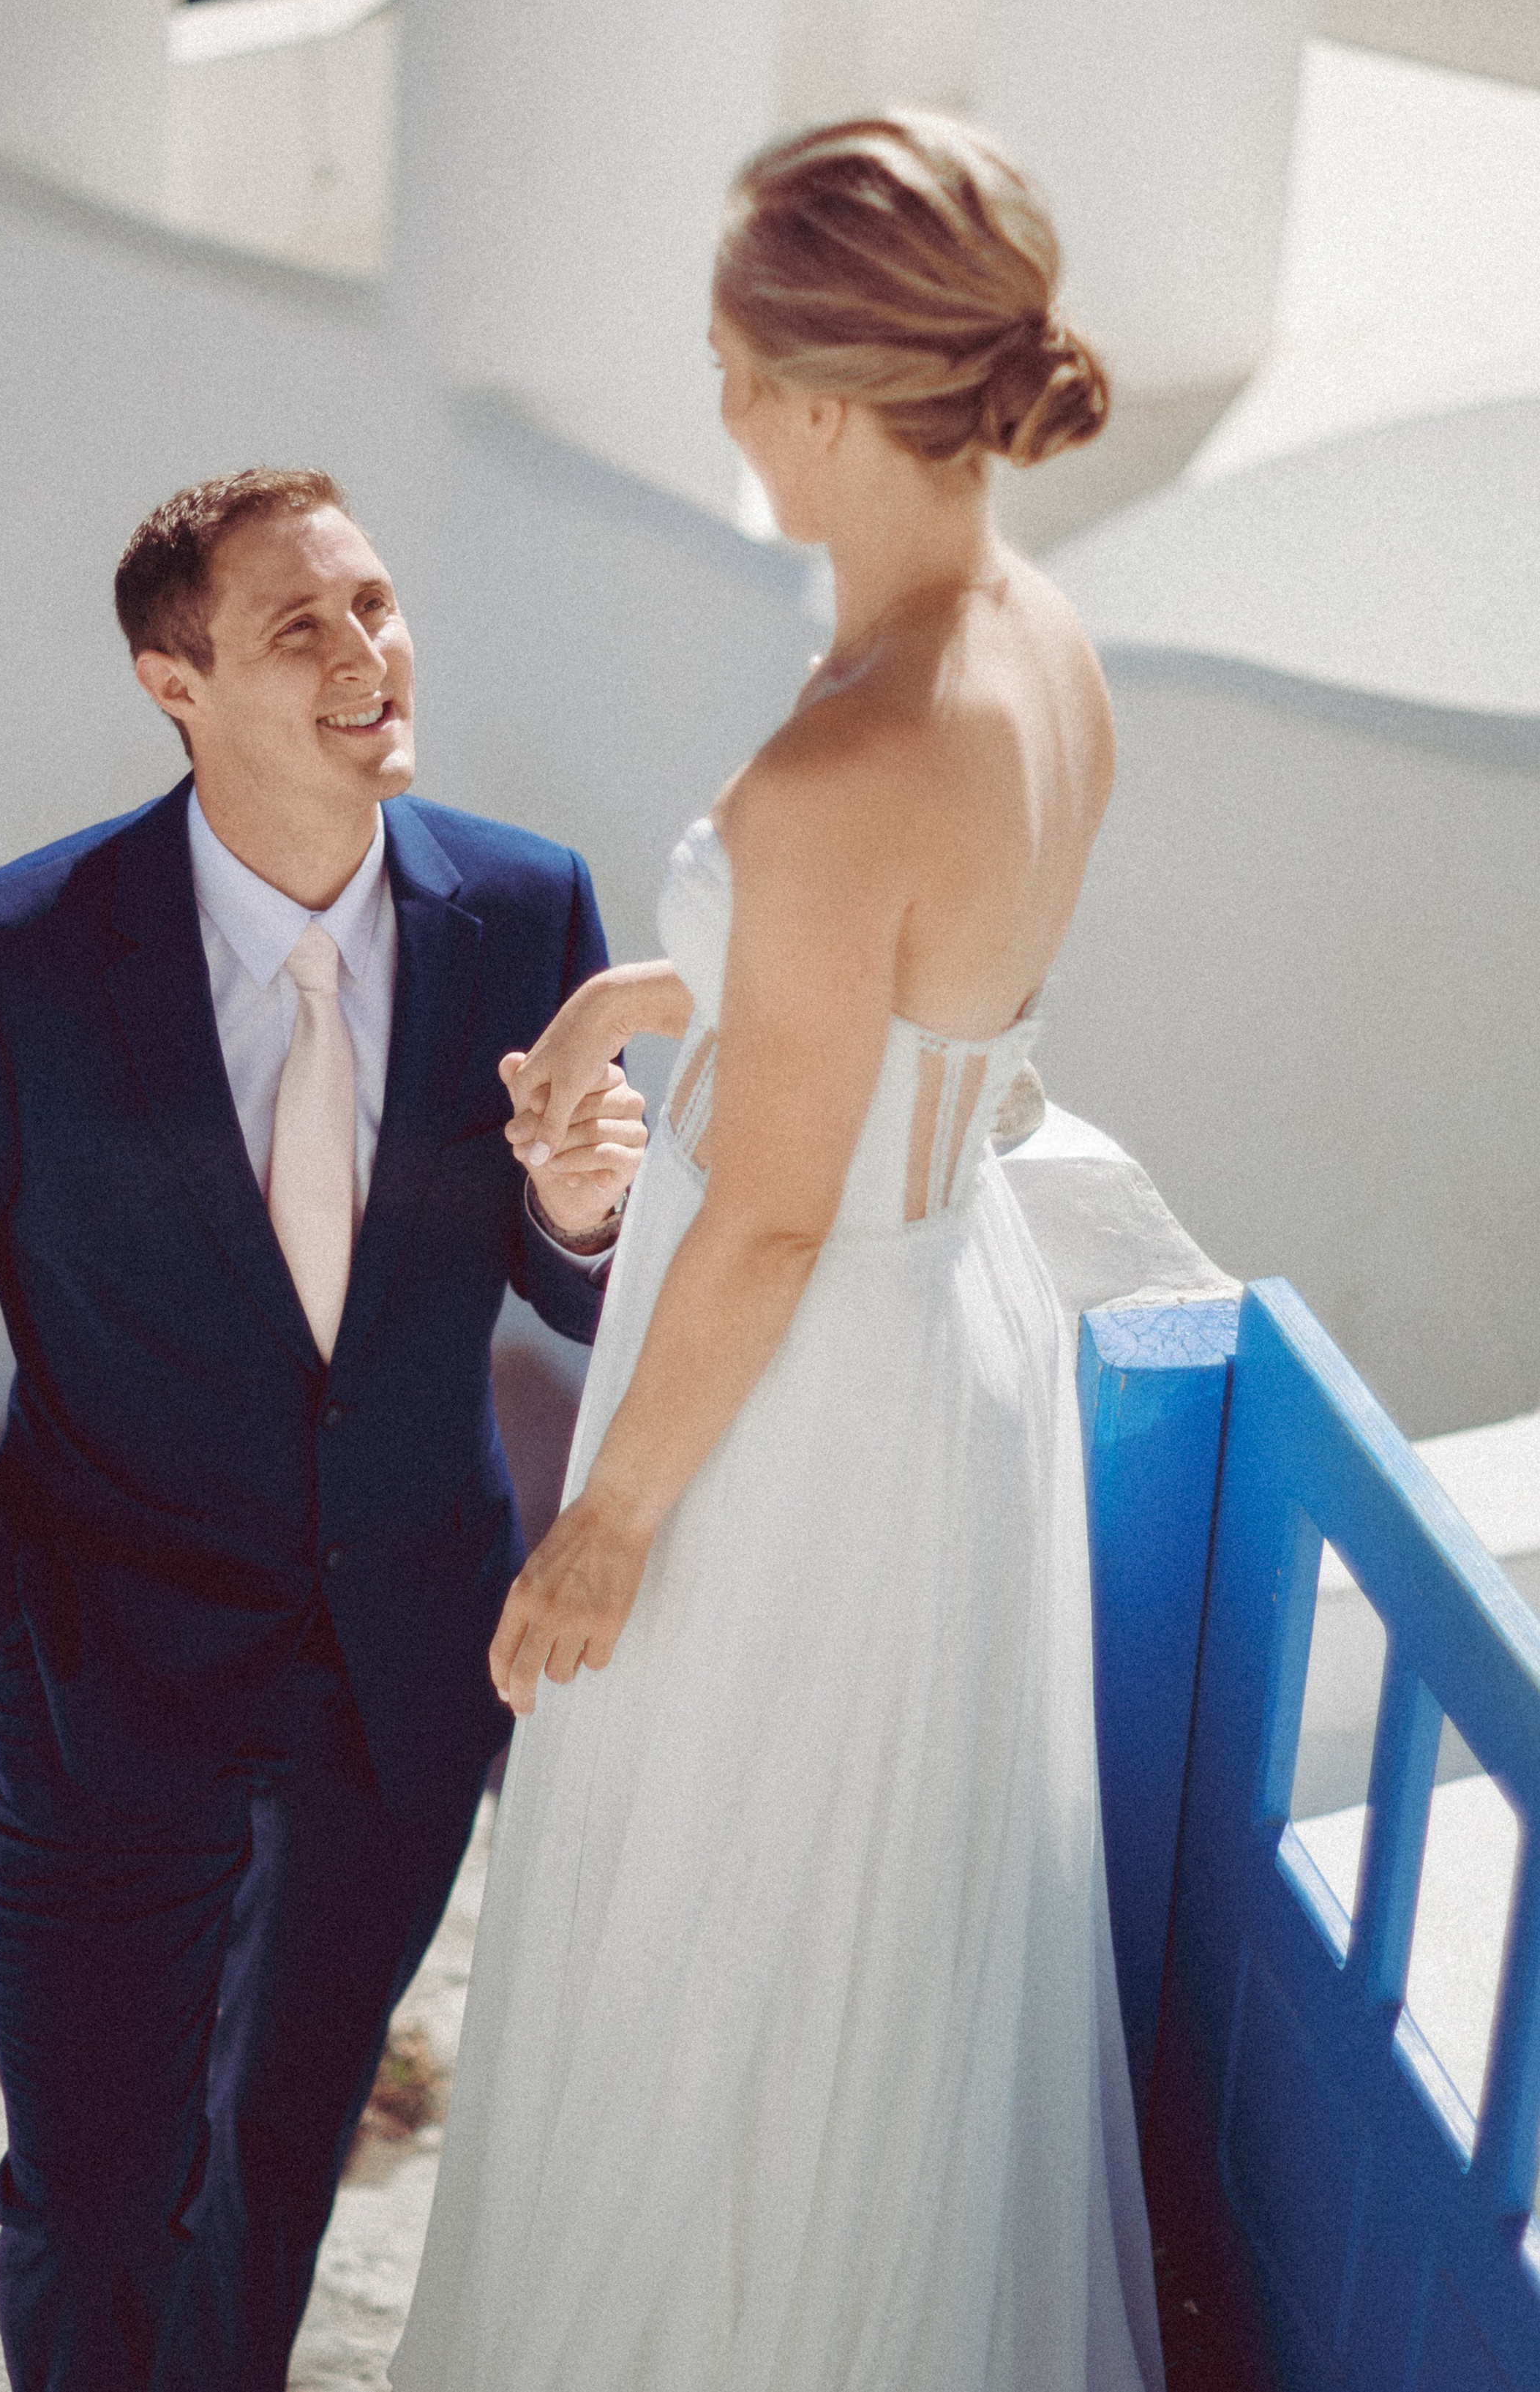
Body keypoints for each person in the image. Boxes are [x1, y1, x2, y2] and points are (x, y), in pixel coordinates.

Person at [394, 116, 1167, 2392]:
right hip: (952, 1342)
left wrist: (604, 1522)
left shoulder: (853, 750)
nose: (717, 404)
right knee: (860, 1962)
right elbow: (933, 1013)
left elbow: (778, 1207)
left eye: (733, 362)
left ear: (826, 399)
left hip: (795, 1394)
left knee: (704, 1952)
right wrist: (670, 999)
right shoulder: (1040, 642)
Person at [0, 468, 647, 2392]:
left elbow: (583, 1281)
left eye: (375, 601)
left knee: (270, 2169)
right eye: (299, 628)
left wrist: (592, 1205)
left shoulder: (527, 911)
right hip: (104, 1664)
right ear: (177, 682)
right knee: (96, 2202)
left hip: (410, 1675)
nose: (366, 654)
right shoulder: (6, 960)